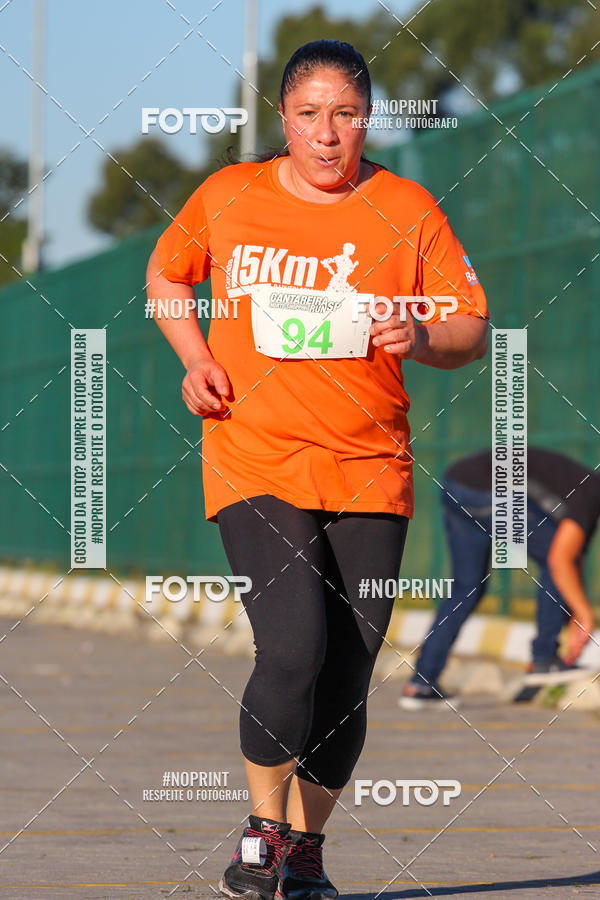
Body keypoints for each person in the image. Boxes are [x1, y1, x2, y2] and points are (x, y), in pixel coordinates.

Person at [146, 39, 488, 900]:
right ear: (284, 120)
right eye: (309, 115)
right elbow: (165, 273)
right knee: (293, 647)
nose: (328, 135)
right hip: (256, 456)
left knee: (347, 672)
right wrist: (193, 356)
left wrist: (424, 336)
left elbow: (470, 325)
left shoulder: (405, 208)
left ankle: (306, 853)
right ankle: (262, 834)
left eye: (346, 115)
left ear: (367, 120)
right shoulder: (230, 196)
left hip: (372, 468)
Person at [400, 447, 600, 711]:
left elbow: (573, 563)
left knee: (467, 588)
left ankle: (421, 684)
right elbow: (561, 561)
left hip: (456, 485)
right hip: (485, 490)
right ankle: (544, 658)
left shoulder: (584, 491)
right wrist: (585, 614)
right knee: (557, 557)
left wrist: (575, 611)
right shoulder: (589, 495)